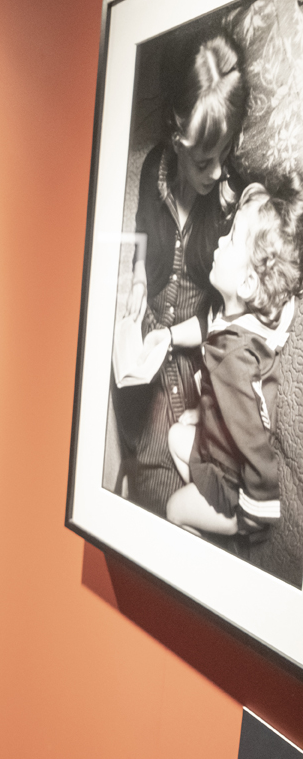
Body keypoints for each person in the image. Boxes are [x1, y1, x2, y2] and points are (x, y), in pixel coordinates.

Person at [113, 33, 248, 516]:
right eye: (203, 161)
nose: (214, 173)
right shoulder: (154, 169)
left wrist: (171, 336)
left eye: (224, 155)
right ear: (176, 138)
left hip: (191, 361)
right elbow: (141, 233)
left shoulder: (231, 201)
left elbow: (222, 319)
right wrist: (136, 280)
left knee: (166, 483)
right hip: (147, 350)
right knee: (135, 448)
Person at [166, 182, 301, 537]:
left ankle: (224, 528)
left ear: (247, 284)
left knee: (173, 509)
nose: (221, 240)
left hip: (234, 484)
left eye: (232, 238)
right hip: (214, 450)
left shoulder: (237, 360)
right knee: (175, 436)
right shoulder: (231, 313)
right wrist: (201, 413)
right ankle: (207, 508)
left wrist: (257, 508)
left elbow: (255, 437)